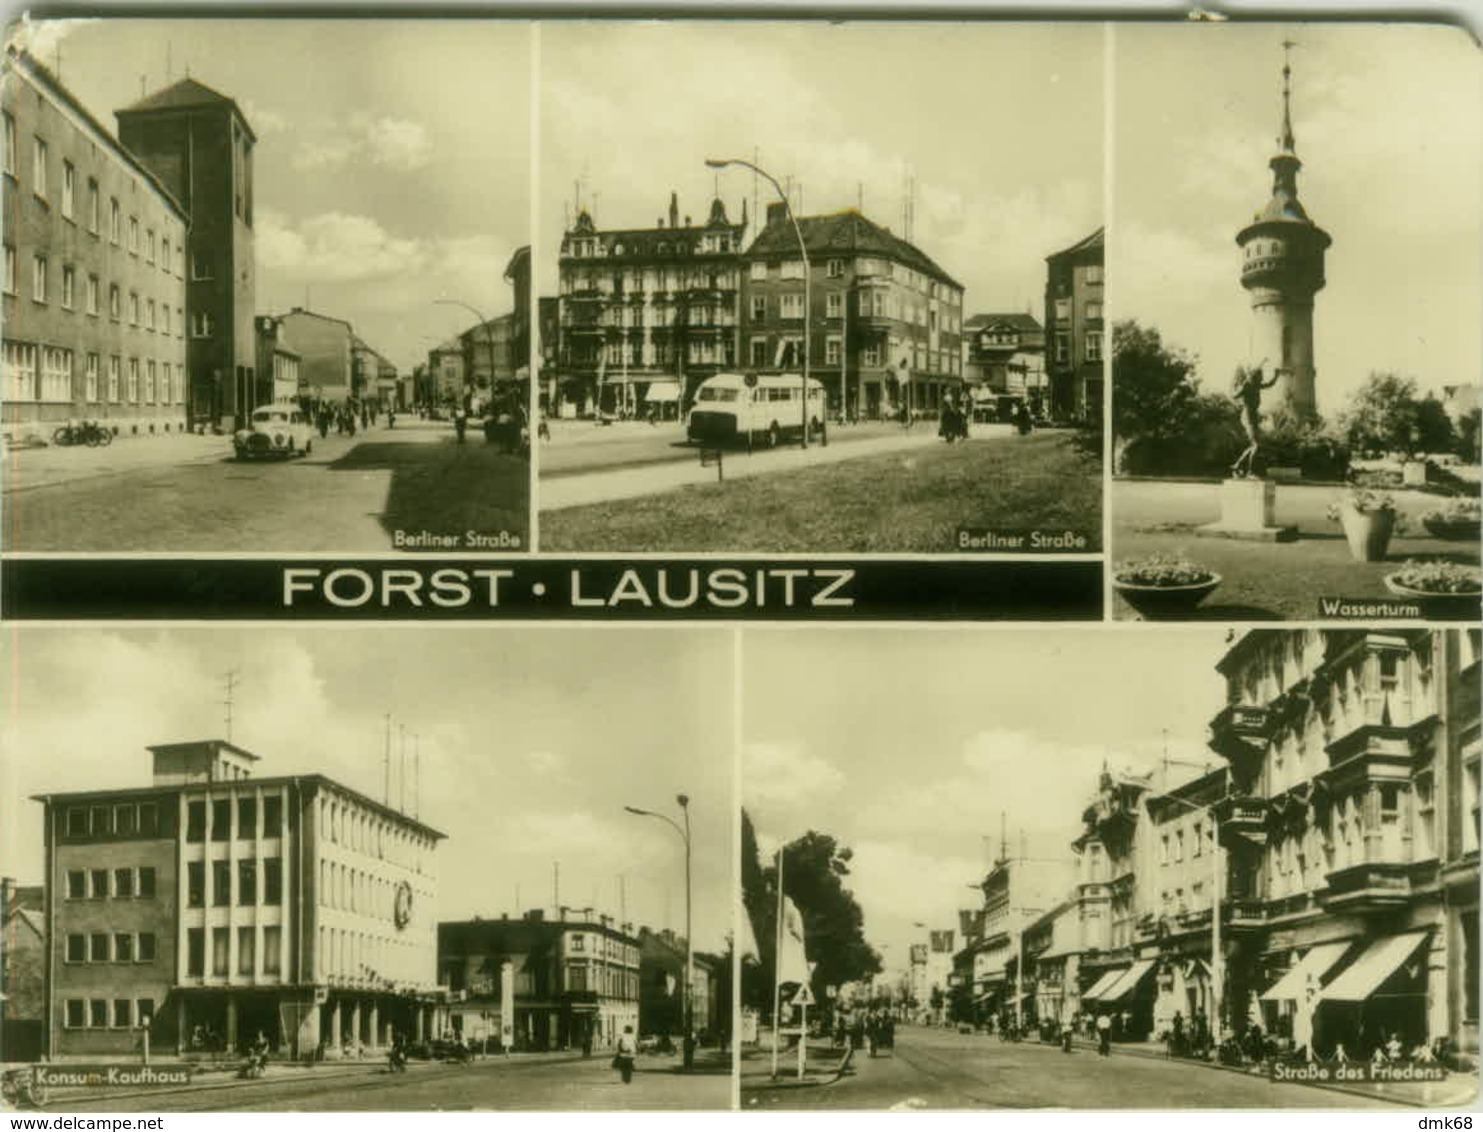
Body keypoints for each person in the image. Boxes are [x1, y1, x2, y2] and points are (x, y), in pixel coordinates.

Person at [1229, 360, 1280, 477]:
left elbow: (1269, 384)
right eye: (1260, 376)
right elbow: (1234, 395)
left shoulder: (1256, 385)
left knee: (1255, 445)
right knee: (1256, 445)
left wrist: (1275, 376)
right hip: (1247, 416)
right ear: (1255, 377)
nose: (1261, 379)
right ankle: (1250, 471)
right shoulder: (1247, 385)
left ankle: (1238, 465)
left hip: (1253, 416)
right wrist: (1241, 387)